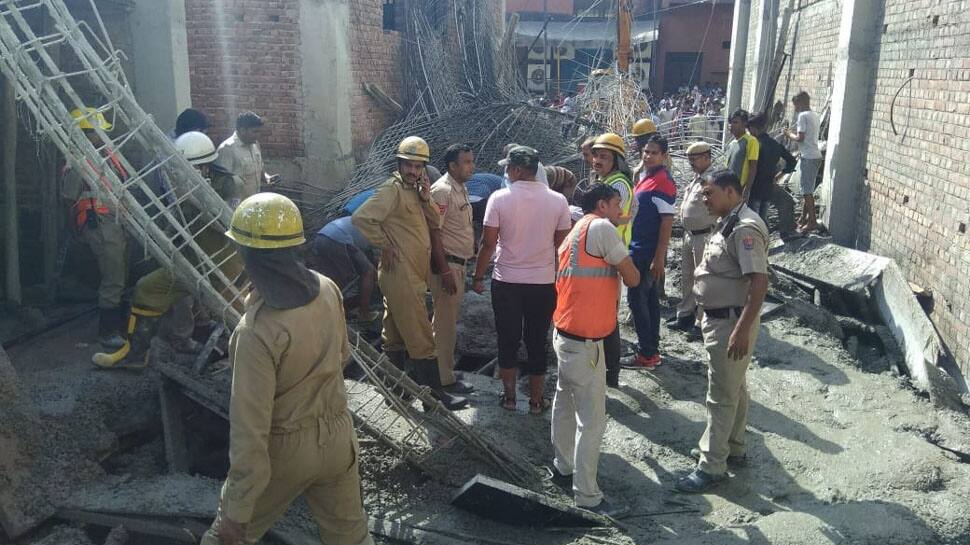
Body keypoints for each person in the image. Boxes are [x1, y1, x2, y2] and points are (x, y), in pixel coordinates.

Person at [200, 193, 374, 545]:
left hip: (287, 448)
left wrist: (235, 511)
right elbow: (342, 356)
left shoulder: (255, 332)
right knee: (351, 538)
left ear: (246, 254)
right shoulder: (327, 289)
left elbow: (250, 432)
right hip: (339, 437)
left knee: (226, 539)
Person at [91, 131, 245, 368]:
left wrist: (199, 200)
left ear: (206, 166)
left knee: (238, 314)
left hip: (221, 261)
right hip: (191, 260)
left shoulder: (230, 184)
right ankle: (134, 355)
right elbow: (175, 218)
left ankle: (255, 358)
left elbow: (229, 223)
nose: (185, 174)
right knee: (146, 289)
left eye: (194, 168)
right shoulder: (181, 183)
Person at [352, 136, 468, 410]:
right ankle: (435, 398)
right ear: (399, 164)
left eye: (418, 167)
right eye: (409, 166)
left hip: (409, 274)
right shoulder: (391, 189)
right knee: (421, 336)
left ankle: (396, 392)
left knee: (392, 334)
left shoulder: (415, 189)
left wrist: (426, 198)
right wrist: (385, 244)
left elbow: (435, 222)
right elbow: (362, 218)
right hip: (400, 274)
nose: (413, 171)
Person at [675, 170, 769, 494]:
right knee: (735, 386)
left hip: (730, 322)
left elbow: (759, 281)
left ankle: (712, 465)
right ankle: (734, 446)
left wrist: (741, 329)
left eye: (710, 193)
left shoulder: (744, 228)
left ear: (730, 192)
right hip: (720, 319)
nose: (704, 198)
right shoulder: (729, 219)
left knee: (721, 395)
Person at [550, 184, 640, 518]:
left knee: (563, 405)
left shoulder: (577, 229)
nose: (620, 209)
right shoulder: (602, 227)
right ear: (602, 205)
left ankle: (562, 467)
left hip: (564, 334)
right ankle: (588, 496)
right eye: (617, 203)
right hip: (587, 344)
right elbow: (631, 277)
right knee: (592, 421)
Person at [472, 146, 571, 414]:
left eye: (507, 167)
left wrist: (478, 276)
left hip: (507, 282)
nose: (505, 171)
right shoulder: (558, 201)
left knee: (508, 339)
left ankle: (510, 398)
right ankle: (537, 402)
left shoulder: (499, 199)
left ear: (516, 170)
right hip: (543, 283)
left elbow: (488, 243)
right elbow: (562, 247)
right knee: (537, 340)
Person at [61, 107, 129, 349]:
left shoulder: (106, 154)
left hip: (115, 221)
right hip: (99, 224)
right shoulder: (80, 160)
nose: (101, 135)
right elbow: (69, 198)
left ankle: (118, 325)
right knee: (113, 277)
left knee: (118, 275)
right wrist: (76, 230)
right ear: (86, 133)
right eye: (96, 131)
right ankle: (108, 331)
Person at [589, 133, 637, 387]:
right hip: (605, 252)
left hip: (611, 254)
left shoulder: (617, 184)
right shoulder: (608, 180)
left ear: (616, 160)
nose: (597, 160)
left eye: (604, 156)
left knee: (608, 316)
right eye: (596, 155)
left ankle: (611, 373)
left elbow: (612, 217)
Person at [625, 136, 676, 370]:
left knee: (637, 300)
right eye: (646, 151)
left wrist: (659, 259)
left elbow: (667, 223)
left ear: (664, 156)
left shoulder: (663, 182)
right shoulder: (647, 178)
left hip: (646, 252)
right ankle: (651, 348)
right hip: (637, 247)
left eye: (654, 153)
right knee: (649, 300)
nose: (648, 156)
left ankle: (646, 353)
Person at [429, 144, 477, 394]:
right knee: (445, 325)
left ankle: (443, 369)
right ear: (452, 166)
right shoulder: (442, 192)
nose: (472, 166)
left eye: (471, 161)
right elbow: (434, 234)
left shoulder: (460, 188)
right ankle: (442, 379)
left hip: (459, 263)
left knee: (446, 322)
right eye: (466, 162)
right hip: (448, 265)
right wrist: (445, 271)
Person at [667, 141, 718, 334]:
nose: (691, 163)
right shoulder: (697, 179)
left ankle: (700, 321)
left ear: (707, 157)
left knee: (704, 279)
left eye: (695, 159)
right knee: (688, 278)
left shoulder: (712, 180)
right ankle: (685, 313)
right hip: (689, 236)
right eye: (690, 160)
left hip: (704, 235)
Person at [310, 216, 378, 322]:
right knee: (367, 272)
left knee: (332, 281)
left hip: (322, 236)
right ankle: (364, 313)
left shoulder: (367, 216)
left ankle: (324, 310)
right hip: (339, 239)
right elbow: (371, 268)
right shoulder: (383, 228)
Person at [747, 114, 798, 238]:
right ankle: (787, 232)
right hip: (768, 185)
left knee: (753, 219)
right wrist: (780, 175)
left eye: (749, 129)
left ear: (753, 128)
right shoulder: (775, 145)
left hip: (752, 187)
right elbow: (792, 161)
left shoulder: (752, 144)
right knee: (787, 202)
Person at [784, 91, 823, 233]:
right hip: (815, 155)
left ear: (801, 102)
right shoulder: (815, 115)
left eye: (796, 105)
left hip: (808, 156)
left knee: (807, 191)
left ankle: (812, 221)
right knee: (809, 189)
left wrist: (789, 135)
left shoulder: (802, 116)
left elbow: (800, 138)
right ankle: (803, 218)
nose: (795, 109)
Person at [216, 112, 278, 201]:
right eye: (254, 131)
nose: (258, 135)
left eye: (259, 131)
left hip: (254, 202)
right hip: (236, 206)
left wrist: (267, 178)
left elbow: (260, 169)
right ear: (242, 130)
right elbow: (219, 184)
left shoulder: (255, 144)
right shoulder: (227, 149)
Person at [724, 109, 759, 198]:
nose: (731, 125)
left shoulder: (751, 141)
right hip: (727, 188)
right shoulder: (732, 144)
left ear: (744, 124)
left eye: (735, 122)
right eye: (730, 123)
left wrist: (746, 189)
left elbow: (753, 167)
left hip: (739, 190)